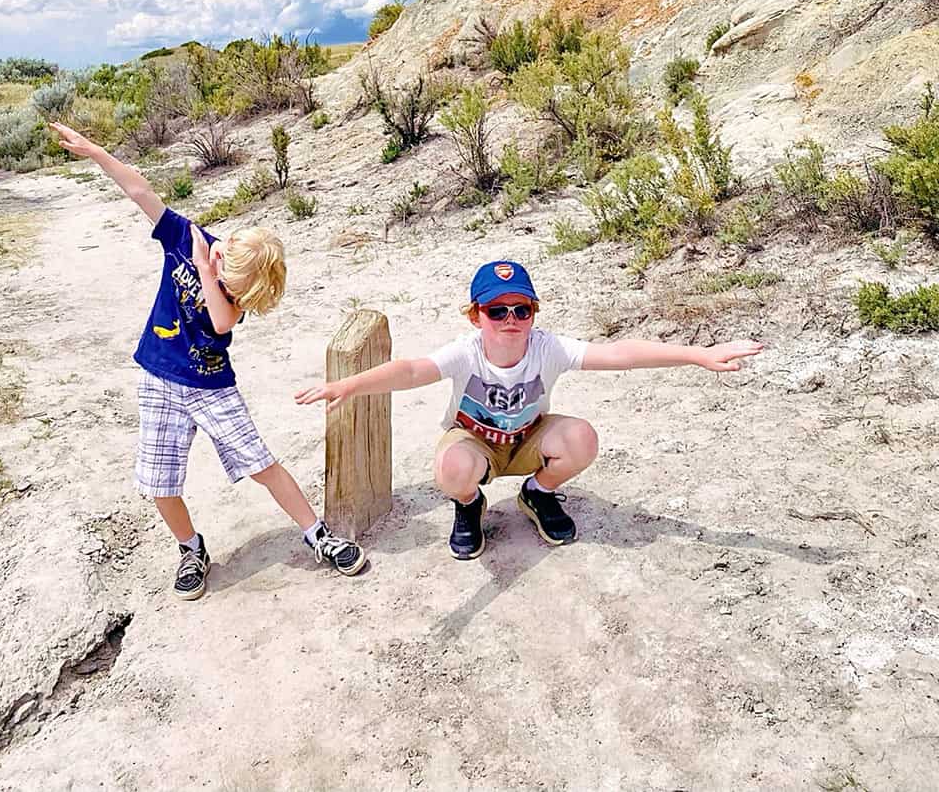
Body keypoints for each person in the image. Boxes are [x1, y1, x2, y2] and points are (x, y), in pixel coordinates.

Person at [50, 122, 367, 599]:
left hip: (212, 386)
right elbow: (140, 189)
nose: (226, 287)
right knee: (160, 479)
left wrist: (207, 271)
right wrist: (95, 149)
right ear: (230, 252)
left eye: (235, 291)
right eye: (226, 278)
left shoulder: (232, 291)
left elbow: (220, 323)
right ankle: (190, 547)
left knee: (262, 463)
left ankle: (316, 534)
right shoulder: (184, 236)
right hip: (160, 376)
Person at [296, 259, 763, 560]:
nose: (511, 321)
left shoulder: (548, 348)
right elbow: (412, 370)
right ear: (476, 315)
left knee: (581, 437)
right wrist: (350, 385)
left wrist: (698, 354)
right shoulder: (466, 352)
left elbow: (620, 354)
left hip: (527, 440)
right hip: (476, 442)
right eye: (497, 312)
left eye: (521, 310)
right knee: (453, 466)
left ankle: (537, 494)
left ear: (534, 312)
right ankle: (469, 505)